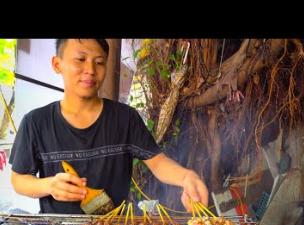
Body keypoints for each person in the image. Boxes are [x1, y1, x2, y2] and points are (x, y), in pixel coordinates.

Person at [9, 39, 208, 214]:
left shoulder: (125, 118)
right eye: (80, 59)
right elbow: (19, 179)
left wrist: (186, 177)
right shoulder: (35, 122)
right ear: (57, 64)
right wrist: (49, 185)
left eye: (99, 62)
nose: (90, 70)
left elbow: (157, 162)